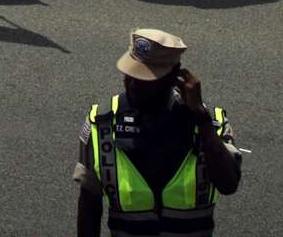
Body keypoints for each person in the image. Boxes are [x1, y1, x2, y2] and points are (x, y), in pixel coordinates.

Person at [76, 29, 242, 235]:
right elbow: (89, 202)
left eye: (146, 80)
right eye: (130, 74)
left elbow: (228, 184)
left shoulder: (212, 123)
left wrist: (202, 119)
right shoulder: (102, 122)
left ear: (175, 76)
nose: (133, 85)